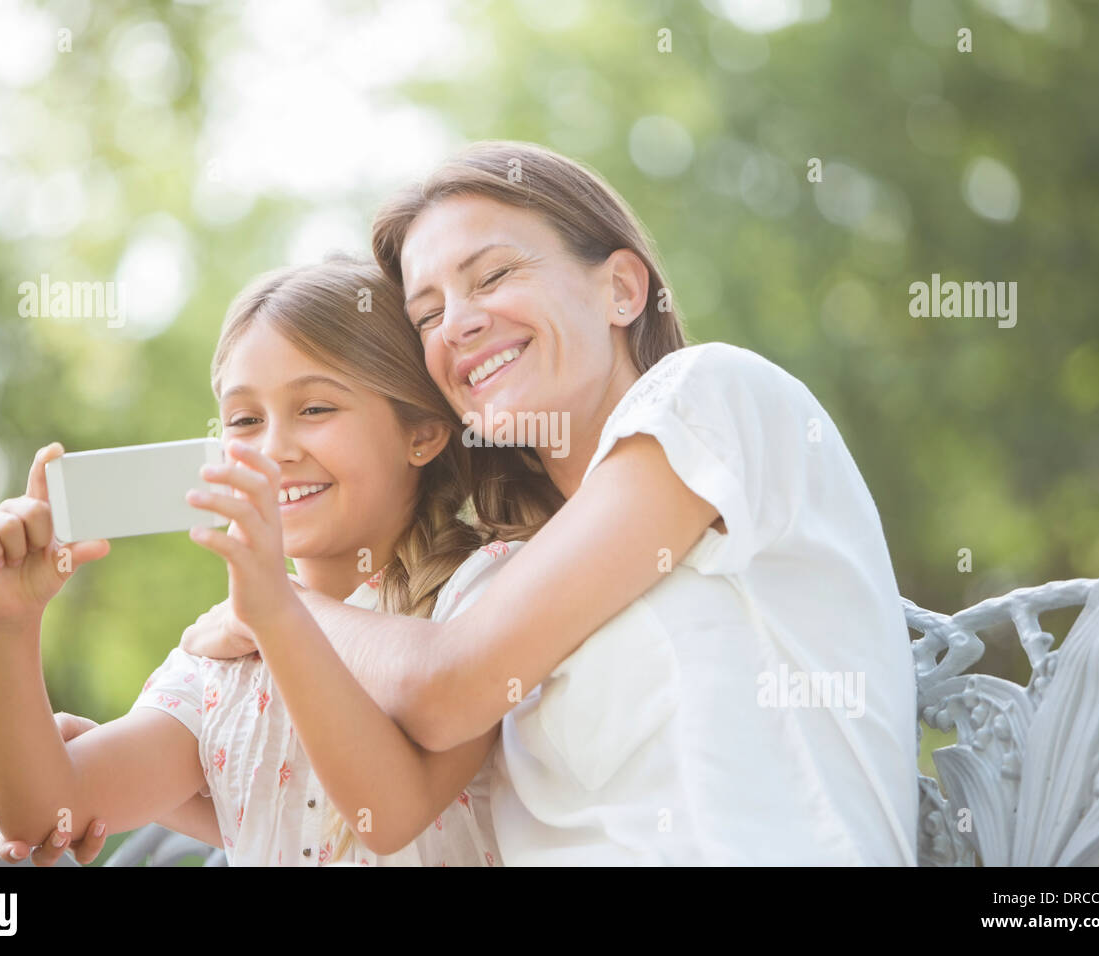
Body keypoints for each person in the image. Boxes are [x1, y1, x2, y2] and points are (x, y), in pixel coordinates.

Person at [183, 142, 920, 865]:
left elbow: (447, 687)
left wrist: (275, 607)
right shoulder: (513, 568)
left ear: (622, 289)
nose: (458, 324)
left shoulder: (709, 396)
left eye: (494, 274)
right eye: (427, 315)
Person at [0, 256, 523, 865]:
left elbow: (385, 816)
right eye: (245, 420)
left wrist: (277, 615)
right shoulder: (222, 651)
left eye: (315, 409)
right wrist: (4, 624)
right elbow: (45, 814)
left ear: (422, 432)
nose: (273, 449)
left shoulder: (481, 596)